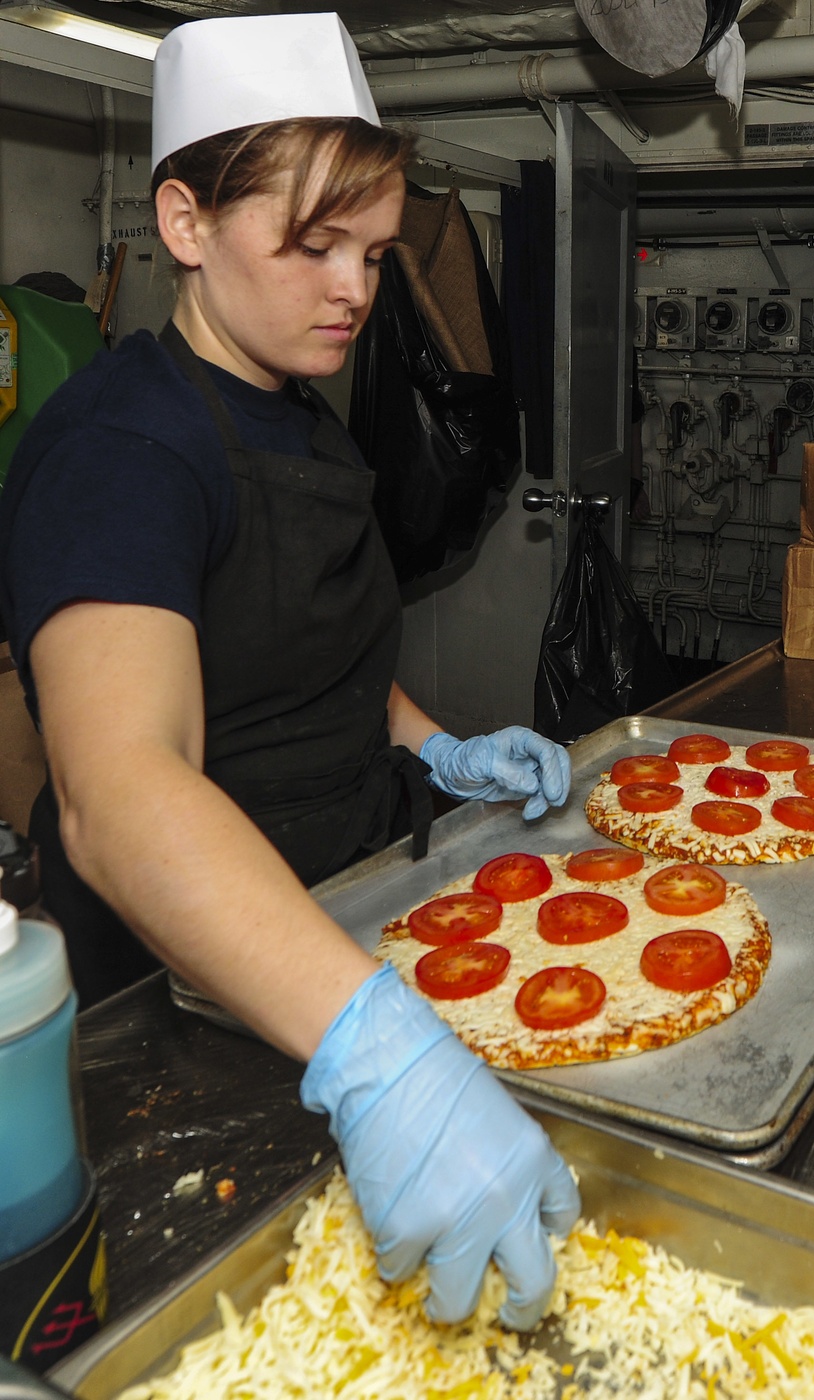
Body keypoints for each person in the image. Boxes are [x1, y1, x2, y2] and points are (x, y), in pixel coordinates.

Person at [0, 11, 579, 1332]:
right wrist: (379, 1052)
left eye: (372, 252)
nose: (354, 291)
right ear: (186, 223)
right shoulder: (122, 448)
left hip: (338, 931)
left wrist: (434, 746)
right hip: (179, 1006)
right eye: (314, 246)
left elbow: (313, 658)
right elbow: (119, 790)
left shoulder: (301, 414)